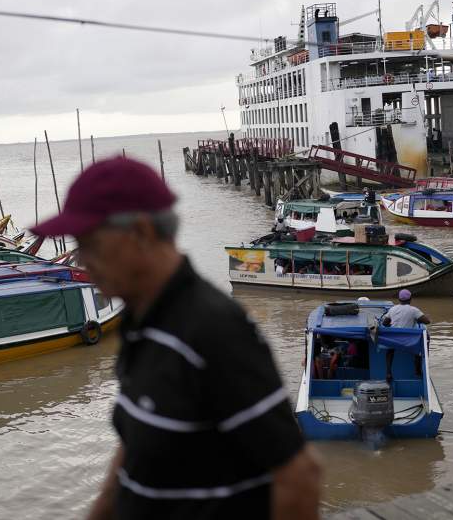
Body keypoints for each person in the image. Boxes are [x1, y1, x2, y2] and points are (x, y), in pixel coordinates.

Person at [31, 158, 320, 520]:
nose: (82, 260)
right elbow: (135, 446)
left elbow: (298, 477)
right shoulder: (142, 322)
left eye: (89, 244)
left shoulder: (213, 331)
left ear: (139, 232)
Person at [380, 289, 430, 381]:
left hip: (394, 341)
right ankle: (418, 370)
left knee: (389, 351)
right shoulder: (414, 310)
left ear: (399, 299)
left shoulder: (393, 309)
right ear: (410, 299)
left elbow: (384, 323)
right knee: (419, 346)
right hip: (409, 341)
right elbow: (427, 321)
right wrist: (417, 319)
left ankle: (388, 372)